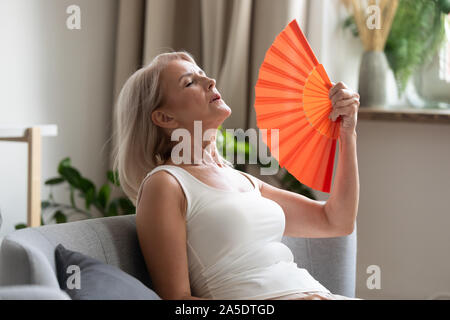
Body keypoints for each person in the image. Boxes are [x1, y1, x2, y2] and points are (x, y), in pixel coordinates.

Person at [112, 51, 361, 300]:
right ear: (165, 117)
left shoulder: (242, 181)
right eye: (190, 82)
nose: (210, 81)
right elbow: (178, 302)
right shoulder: (166, 184)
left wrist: (347, 134)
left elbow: (336, 221)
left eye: (203, 74)